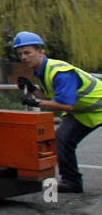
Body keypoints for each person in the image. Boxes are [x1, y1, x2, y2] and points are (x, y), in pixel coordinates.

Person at [12, 31, 100, 194]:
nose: (23, 57)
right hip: (89, 111)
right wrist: (33, 90)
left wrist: (36, 102)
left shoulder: (60, 72)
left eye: (27, 53)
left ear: (40, 52)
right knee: (62, 139)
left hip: (91, 108)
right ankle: (71, 182)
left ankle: (71, 180)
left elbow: (66, 105)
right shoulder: (41, 70)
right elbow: (52, 96)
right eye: (20, 54)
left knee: (63, 139)